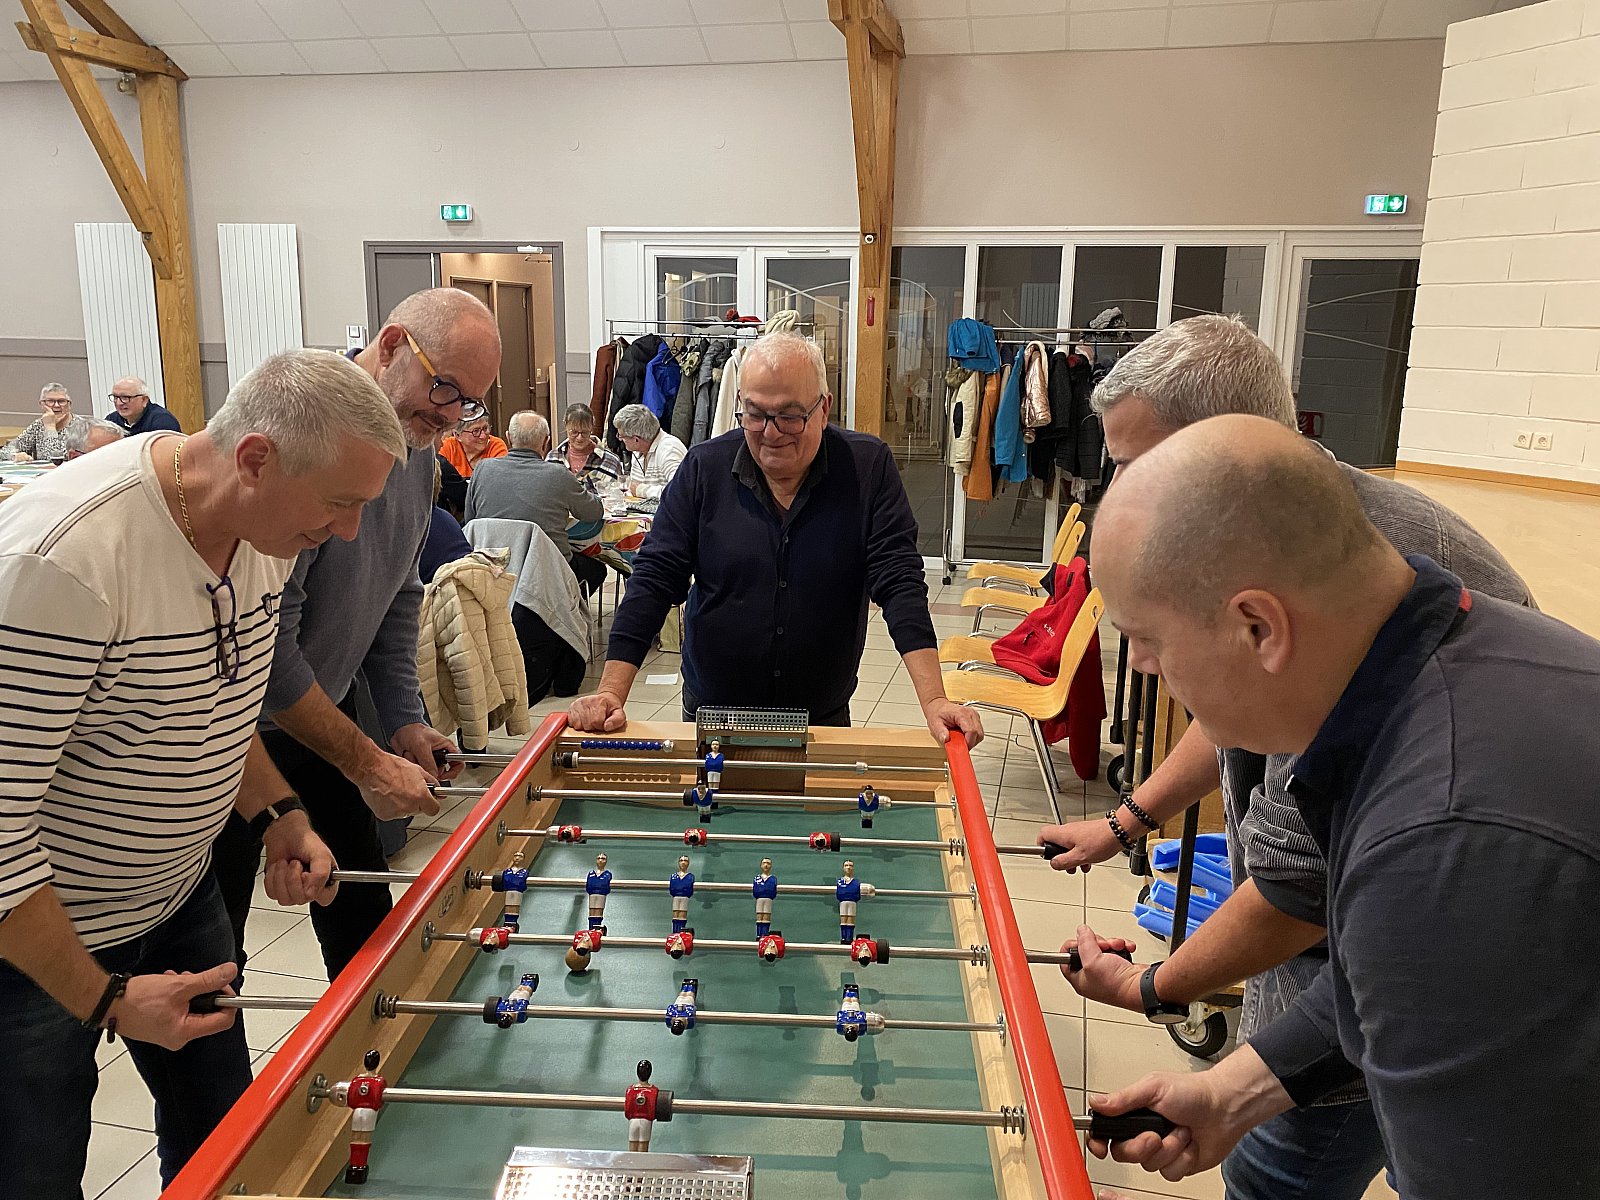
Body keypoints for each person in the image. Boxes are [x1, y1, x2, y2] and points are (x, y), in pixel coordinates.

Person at [1035, 316, 1531, 1200]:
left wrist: (1151, 985)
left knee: (1282, 1178)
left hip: (1409, 1012)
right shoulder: (1281, 531)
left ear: (1226, 446)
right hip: (1356, 981)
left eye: (1140, 466)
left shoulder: (1359, 594)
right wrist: (1128, 822)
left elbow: (1303, 897)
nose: (1122, 490)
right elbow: (1233, 713)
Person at [0, 348, 406, 1198]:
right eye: (339, 503)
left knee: (225, 1143)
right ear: (255, 458)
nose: (348, 532)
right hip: (38, 946)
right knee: (36, 1169)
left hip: (179, 900)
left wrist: (281, 814)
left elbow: (218, 704)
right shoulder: (65, 560)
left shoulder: (264, 535)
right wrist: (109, 1000)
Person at [212, 287, 503, 983]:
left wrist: (403, 719)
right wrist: (367, 763)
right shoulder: (309, 437)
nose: (450, 414)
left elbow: (398, 592)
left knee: (362, 914)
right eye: (444, 387)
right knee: (216, 948)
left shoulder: (419, 452)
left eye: (468, 402)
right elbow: (268, 643)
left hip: (325, 708)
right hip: (235, 731)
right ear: (394, 344)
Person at [568, 332, 982, 747]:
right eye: (755, 414)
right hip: (714, 707)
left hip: (821, 714)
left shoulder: (867, 468)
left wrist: (934, 699)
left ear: (824, 409)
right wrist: (611, 692)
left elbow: (899, 581)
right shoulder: (703, 468)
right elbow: (655, 578)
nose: (770, 432)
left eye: (790, 415)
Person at [465, 410, 607, 596]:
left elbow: (470, 521)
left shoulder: (482, 469)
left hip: (493, 567)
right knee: (597, 570)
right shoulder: (558, 475)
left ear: (508, 438)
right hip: (548, 570)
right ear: (546, 441)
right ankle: (564, 607)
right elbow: (594, 512)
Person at [612, 402, 687, 500]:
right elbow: (633, 490)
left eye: (621, 436)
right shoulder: (638, 450)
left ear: (636, 439)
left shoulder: (669, 449)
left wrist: (641, 490)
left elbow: (680, 492)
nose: (620, 439)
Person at [548, 402, 625, 491]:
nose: (579, 438)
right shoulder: (553, 458)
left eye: (584, 432)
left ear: (592, 427)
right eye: (574, 432)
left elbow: (618, 496)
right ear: (565, 425)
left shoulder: (610, 461)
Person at [5, 382, 89, 462]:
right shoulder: (38, 425)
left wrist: (50, 427)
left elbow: (55, 460)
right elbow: (6, 451)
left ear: (69, 405)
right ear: (42, 405)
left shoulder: (82, 427)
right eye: (50, 401)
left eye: (61, 401)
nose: (56, 405)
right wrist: (15, 456)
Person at [106, 375, 183, 435]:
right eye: (115, 397)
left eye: (125, 397)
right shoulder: (111, 421)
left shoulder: (163, 421)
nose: (119, 403)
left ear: (144, 400)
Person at [438, 412, 507, 478]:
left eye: (485, 428)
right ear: (457, 435)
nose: (483, 436)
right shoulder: (448, 447)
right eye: (476, 431)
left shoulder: (496, 446)